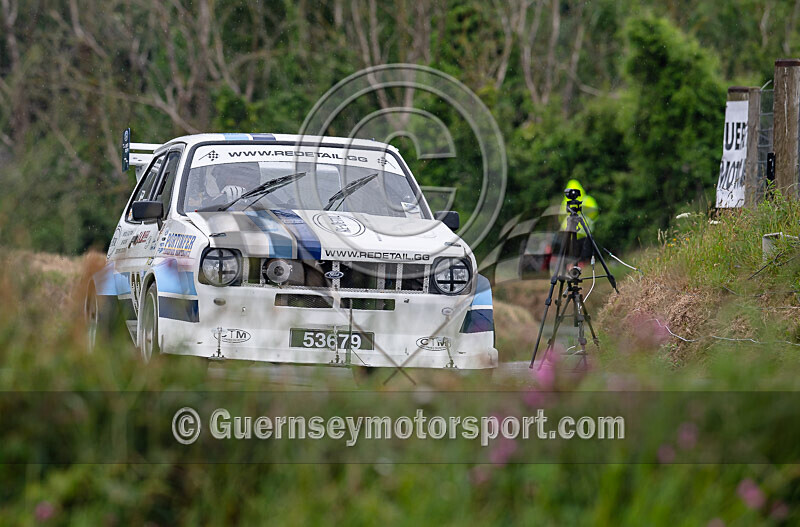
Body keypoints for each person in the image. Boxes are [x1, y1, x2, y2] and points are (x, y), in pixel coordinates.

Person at [554, 179, 599, 265]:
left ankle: (570, 268)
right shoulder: (587, 199)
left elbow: (560, 217)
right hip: (584, 232)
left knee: (569, 256)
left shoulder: (565, 202)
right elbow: (595, 212)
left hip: (568, 232)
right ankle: (582, 267)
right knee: (584, 256)